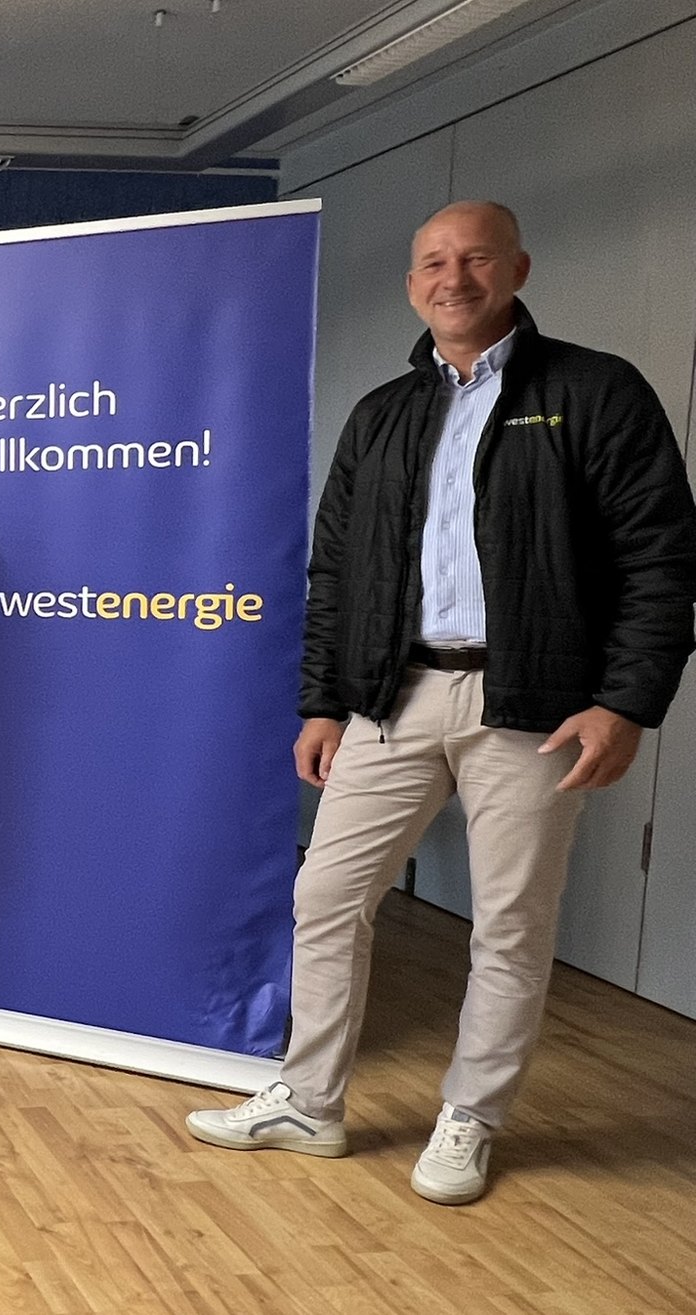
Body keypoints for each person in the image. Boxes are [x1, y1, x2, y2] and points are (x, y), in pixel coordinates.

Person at [187, 201, 696, 1205]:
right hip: (394, 693)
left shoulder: (595, 391)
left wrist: (625, 702)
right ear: (411, 282)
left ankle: (470, 1114)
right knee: (325, 897)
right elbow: (334, 570)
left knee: (509, 922)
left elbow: (660, 558)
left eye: (473, 258)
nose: (451, 278)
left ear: (516, 268)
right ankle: (309, 1098)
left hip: (536, 700)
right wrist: (322, 703)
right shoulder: (383, 412)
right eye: (431, 262)